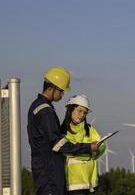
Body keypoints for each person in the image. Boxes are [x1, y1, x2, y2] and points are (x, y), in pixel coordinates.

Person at [27, 66, 99, 195]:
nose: (62, 94)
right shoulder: (46, 112)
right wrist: (88, 148)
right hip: (50, 174)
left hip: (43, 171)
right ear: (52, 87)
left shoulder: (35, 106)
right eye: (61, 90)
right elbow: (58, 145)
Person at [62, 94, 106, 195]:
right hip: (73, 185)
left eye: (85, 113)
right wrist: (90, 151)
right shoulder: (63, 131)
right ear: (70, 109)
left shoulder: (90, 129)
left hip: (91, 184)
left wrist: (93, 152)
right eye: (79, 111)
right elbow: (69, 150)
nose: (82, 115)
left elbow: (102, 146)